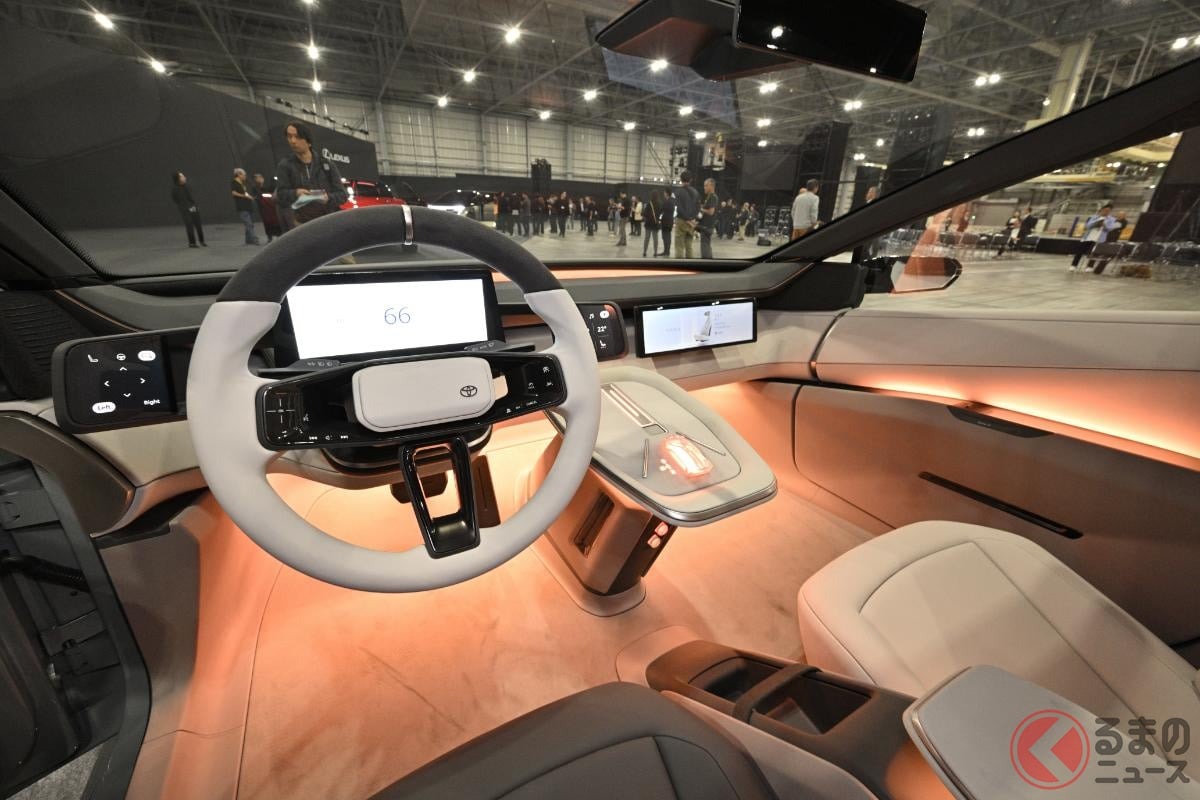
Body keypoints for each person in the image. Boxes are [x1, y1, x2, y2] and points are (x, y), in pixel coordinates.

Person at [274, 121, 348, 227]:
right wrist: (296, 193)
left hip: (329, 221)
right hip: (302, 224)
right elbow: (281, 195)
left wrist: (328, 198)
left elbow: (343, 195)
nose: (293, 141)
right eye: (289, 137)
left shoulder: (326, 164)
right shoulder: (285, 165)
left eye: (297, 137)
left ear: (308, 141)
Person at [1071, 203, 1119, 270]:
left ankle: (1090, 266)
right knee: (1080, 251)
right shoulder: (1094, 217)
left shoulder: (1112, 219)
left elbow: (1110, 229)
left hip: (1099, 238)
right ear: (1102, 210)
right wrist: (1095, 223)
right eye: (1105, 210)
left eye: (1108, 211)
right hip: (1088, 237)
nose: (1106, 212)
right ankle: (1074, 265)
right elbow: (1087, 226)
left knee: (1095, 253)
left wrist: (1104, 225)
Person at [170, 171, 206, 248]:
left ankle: (202, 241)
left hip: (193, 208)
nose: (184, 178)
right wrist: (184, 207)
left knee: (198, 225)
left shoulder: (187, 187)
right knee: (189, 226)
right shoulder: (175, 189)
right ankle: (192, 243)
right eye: (182, 176)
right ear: (178, 179)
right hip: (185, 210)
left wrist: (195, 206)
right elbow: (175, 199)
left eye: (184, 176)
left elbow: (192, 198)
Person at [672, 172, 702, 259]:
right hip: (692, 222)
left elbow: (677, 208)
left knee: (679, 246)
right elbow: (698, 208)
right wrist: (692, 218)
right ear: (691, 180)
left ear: (681, 179)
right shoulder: (696, 192)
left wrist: (686, 218)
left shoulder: (677, 192)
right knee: (689, 246)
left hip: (681, 221)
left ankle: (679, 265)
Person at [230, 168, 260, 245]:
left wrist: (250, 197)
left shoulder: (242, 183)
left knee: (249, 223)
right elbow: (234, 193)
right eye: (244, 175)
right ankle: (254, 239)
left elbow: (245, 193)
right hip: (241, 206)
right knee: (248, 223)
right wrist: (244, 196)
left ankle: (248, 240)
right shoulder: (234, 183)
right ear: (239, 174)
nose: (245, 176)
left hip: (247, 205)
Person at [251, 173, 282, 242]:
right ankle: (269, 237)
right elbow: (259, 195)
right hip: (263, 208)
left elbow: (271, 191)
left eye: (260, 178)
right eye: (257, 178)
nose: (259, 179)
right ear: (255, 180)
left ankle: (278, 235)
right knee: (267, 222)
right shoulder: (255, 187)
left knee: (275, 221)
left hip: (271, 207)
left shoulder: (267, 186)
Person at [698, 178, 719, 259]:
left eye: (706, 185)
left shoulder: (713, 197)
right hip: (705, 226)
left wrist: (701, 209)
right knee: (706, 247)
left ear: (712, 186)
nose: (704, 187)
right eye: (704, 186)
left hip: (707, 226)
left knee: (705, 250)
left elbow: (711, 212)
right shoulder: (709, 197)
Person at [642, 189, 662, 257]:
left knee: (647, 238)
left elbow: (645, 213)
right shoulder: (659, 204)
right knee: (655, 238)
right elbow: (661, 212)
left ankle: (644, 252)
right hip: (655, 223)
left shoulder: (649, 204)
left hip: (648, 223)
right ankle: (655, 252)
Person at [659, 189, 675, 257]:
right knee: (668, 236)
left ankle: (666, 251)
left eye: (664, 193)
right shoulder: (672, 201)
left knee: (665, 237)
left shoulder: (667, 201)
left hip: (665, 221)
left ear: (666, 193)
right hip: (670, 220)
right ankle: (666, 251)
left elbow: (661, 210)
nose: (664, 194)